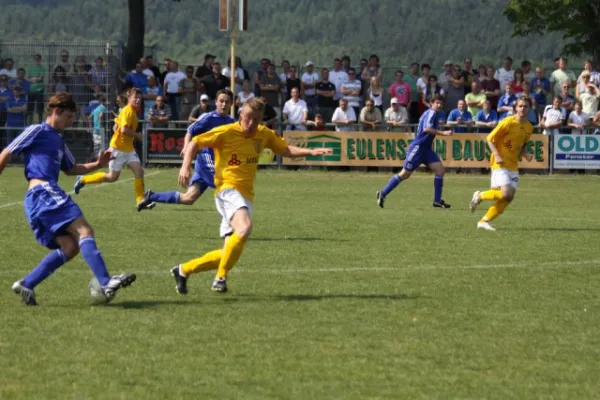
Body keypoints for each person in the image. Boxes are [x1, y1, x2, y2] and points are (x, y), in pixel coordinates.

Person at [169, 98, 331, 294]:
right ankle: (220, 278)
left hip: (245, 195)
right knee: (245, 228)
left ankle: (183, 270)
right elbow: (195, 141)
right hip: (227, 189)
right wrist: (186, 166)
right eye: (249, 118)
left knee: (229, 252)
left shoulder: (264, 134)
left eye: (257, 119)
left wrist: (311, 151)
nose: (252, 123)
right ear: (241, 115)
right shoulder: (226, 131)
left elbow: (285, 149)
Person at [0, 93, 136, 306]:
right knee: (85, 231)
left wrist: (98, 164)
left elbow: (72, 169)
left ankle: (27, 283)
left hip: (37, 200)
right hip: (43, 192)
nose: (71, 122)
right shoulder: (37, 130)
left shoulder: (58, 139)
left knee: (70, 246)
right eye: (69, 117)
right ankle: (106, 281)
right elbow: (5, 154)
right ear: (56, 112)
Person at [138, 90, 235, 208]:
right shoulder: (208, 118)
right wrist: (186, 146)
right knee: (224, 183)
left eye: (227, 102)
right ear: (215, 102)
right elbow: (190, 131)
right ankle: (235, 215)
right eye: (221, 101)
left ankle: (151, 196)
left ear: (231, 103)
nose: (224, 104)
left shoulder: (231, 122)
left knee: (189, 198)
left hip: (217, 161)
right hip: (206, 160)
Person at [72, 88, 154, 211]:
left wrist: (117, 123)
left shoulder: (129, 111)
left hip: (128, 149)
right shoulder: (128, 110)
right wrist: (137, 135)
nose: (138, 100)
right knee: (112, 177)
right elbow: (124, 130)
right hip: (118, 149)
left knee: (139, 171)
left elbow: (117, 125)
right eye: (135, 98)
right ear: (129, 98)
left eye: (139, 98)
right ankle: (83, 179)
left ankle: (140, 200)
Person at [376, 95, 453, 209]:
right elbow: (426, 129)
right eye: (437, 103)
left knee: (440, 170)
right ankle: (382, 193)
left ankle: (437, 201)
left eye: (441, 103)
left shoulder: (430, 114)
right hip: (418, 148)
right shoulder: (431, 113)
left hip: (426, 149)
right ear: (431, 103)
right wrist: (443, 133)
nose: (439, 105)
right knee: (405, 174)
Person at [469, 97, 534, 231]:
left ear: (529, 108)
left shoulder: (529, 127)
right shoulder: (508, 122)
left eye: (525, 106)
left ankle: (484, 221)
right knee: (506, 194)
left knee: (508, 197)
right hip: (500, 163)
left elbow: (522, 145)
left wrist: (526, 155)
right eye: (520, 106)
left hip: (513, 165)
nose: (522, 109)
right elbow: (490, 138)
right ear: (515, 108)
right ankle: (479, 195)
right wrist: (497, 155)